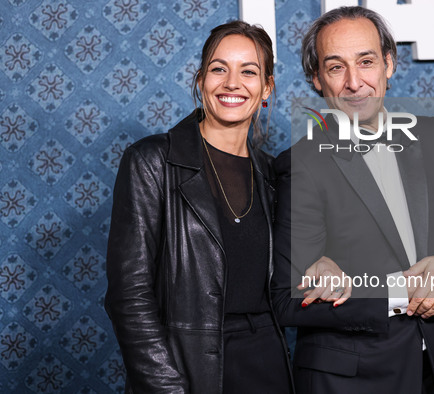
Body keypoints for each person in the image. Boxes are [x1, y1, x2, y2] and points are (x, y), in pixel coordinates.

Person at [271, 6, 434, 394]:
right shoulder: (301, 165)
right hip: (354, 379)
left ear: (388, 64)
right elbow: (287, 299)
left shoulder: (431, 136)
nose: (354, 82)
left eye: (366, 62)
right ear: (316, 79)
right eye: (335, 67)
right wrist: (406, 292)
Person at [104, 21, 294, 394]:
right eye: (219, 68)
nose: (232, 83)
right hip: (187, 369)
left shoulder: (274, 175)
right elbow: (128, 296)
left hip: (268, 365)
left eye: (249, 71)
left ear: (267, 87)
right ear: (200, 79)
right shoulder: (153, 160)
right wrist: (168, 387)